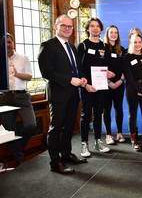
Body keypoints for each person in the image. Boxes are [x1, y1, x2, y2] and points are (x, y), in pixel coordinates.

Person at [38, 14, 88, 174]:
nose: (67, 29)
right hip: (59, 94)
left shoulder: (72, 47)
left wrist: (81, 78)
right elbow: (47, 72)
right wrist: (69, 80)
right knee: (56, 128)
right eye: (63, 26)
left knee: (68, 127)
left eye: (70, 26)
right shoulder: (48, 45)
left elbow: (75, 69)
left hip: (73, 94)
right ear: (55, 26)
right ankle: (55, 162)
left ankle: (66, 154)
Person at [77, 18, 115, 157]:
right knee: (86, 114)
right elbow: (78, 68)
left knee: (98, 113)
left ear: (101, 29)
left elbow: (106, 66)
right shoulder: (83, 45)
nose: (95, 28)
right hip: (86, 86)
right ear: (88, 28)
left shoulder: (104, 47)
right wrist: (85, 84)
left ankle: (98, 141)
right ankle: (84, 143)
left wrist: (109, 73)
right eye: (92, 26)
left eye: (97, 26)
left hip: (101, 86)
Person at [0, 33, 36, 167]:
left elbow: (29, 76)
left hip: (22, 96)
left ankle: (17, 148)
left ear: (13, 42)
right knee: (10, 130)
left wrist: (17, 74)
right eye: (5, 43)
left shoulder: (23, 57)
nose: (7, 45)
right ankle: (19, 157)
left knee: (31, 124)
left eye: (9, 42)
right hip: (5, 98)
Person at [123, 33, 142, 151]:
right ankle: (133, 139)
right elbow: (128, 75)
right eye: (135, 42)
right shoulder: (127, 57)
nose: (137, 44)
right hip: (132, 87)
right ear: (131, 43)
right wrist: (137, 89)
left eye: (139, 42)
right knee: (132, 113)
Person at [102, 25, 126, 145]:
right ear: (107, 34)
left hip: (119, 84)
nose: (113, 35)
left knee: (119, 108)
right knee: (107, 109)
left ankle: (119, 133)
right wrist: (109, 82)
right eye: (111, 32)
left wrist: (120, 81)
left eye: (116, 33)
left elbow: (125, 68)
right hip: (106, 85)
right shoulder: (102, 48)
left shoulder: (122, 50)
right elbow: (100, 67)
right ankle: (108, 135)